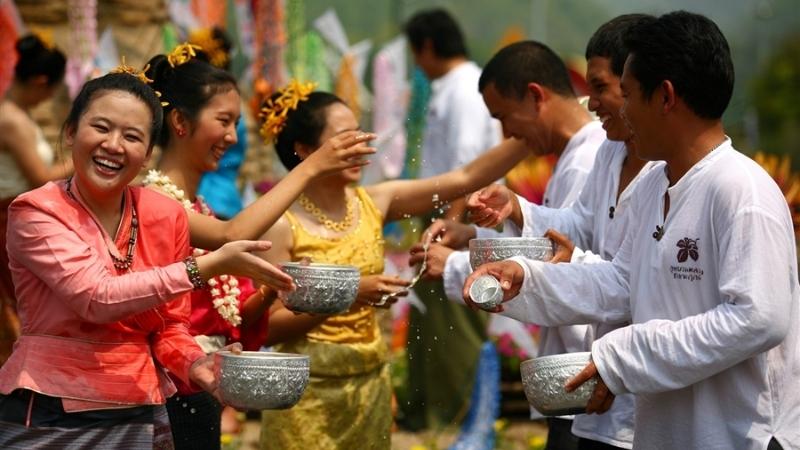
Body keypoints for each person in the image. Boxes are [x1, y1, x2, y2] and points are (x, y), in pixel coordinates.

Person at [464, 11, 799, 449]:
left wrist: (624, 357)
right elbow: (623, 280)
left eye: (628, 94)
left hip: (739, 435)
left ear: (665, 97)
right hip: (669, 430)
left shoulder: (740, 190)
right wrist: (527, 279)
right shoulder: (654, 184)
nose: (619, 110)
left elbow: (759, 319)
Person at [0, 71, 283, 448]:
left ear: (148, 154)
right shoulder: (36, 212)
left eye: (132, 137)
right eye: (101, 127)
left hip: (142, 410)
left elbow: (169, 327)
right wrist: (206, 266)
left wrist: (196, 364)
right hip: (52, 412)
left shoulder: (165, 215)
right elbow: (95, 298)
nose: (113, 145)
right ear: (70, 133)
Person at [257, 84, 528, 450]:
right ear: (304, 150)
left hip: (370, 387)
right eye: (343, 138)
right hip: (305, 394)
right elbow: (267, 328)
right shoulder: (281, 222)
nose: (360, 145)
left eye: (359, 133)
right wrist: (349, 295)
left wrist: (534, 131)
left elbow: (463, 179)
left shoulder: (374, 201)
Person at [430, 15, 654, 450]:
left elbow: (600, 269)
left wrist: (460, 267)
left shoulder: (682, 174)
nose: (593, 104)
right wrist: (516, 208)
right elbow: (579, 231)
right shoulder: (611, 152)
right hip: (596, 373)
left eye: (606, 89)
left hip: (605, 371)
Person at [142, 46, 376, 449]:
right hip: (165, 388)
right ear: (180, 121)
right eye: (223, 121)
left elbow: (229, 316)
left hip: (201, 387)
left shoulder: (198, 208)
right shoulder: (154, 202)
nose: (233, 137)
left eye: (236, 123)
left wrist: (272, 290)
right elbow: (232, 235)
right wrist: (312, 167)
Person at [410, 40, 605, 449]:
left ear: (536, 96)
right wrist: (475, 238)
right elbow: (557, 239)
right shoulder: (579, 156)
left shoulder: (589, 159)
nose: (506, 135)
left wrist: (457, 266)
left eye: (504, 117)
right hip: (574, 375)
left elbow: (565, 263)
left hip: (584, 372)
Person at [401, 8, 502, 430]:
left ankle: (460, 414)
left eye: (415, 53)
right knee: (429, 315)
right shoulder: (450, 87)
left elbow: (468, 167)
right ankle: (425, 410)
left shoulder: (464, 89)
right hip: (442, 210)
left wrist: (450, 226)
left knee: (456, 317)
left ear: (427, 47)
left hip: (455, 213)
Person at [0, 34, 72, 365]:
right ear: (41, 82)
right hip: (7, 218)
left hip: (18, 216)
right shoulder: (10, 119)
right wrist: (84, 157)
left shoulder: (18, 113)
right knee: (19, 305)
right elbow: (40, 177)